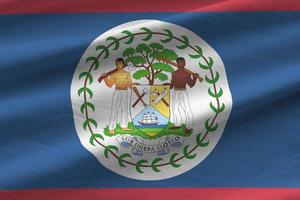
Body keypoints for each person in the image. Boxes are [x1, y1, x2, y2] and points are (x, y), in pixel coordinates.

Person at [101, 58, 133, 134]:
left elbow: (130, 85)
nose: (119, 65)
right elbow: (109, 85)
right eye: (118, 64)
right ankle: (111, 128)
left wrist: (133, 85)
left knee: (125, 109)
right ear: (116, 65)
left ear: (123, 64)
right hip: (117, 91)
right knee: (114, 109)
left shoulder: (127, 74)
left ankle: (124, 126)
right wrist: (105, 78)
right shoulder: (113, 74)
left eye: (121, 63)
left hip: (125, 92)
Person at [170, 57, 198, 133]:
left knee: (186, 109)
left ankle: (189, 127)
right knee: (175, 109)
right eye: (180, 62)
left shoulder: (187, 73)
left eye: (183, 62)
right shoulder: (174, 73)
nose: (182, 64)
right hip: (176, 92)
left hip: (183, 92)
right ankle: (177, 124)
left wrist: (194, 78)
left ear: (185, 63)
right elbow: (172, 85)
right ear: (177, 64)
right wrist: (167, 86)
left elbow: (191, 85)